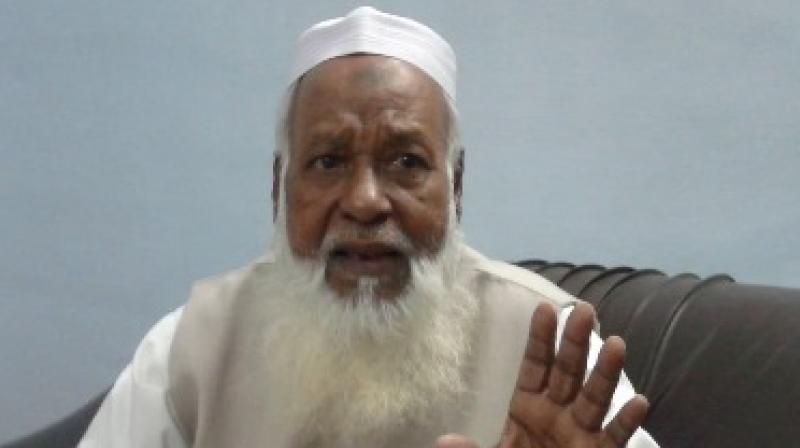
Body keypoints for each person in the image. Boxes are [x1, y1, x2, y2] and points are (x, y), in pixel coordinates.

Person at [79, 6, 658, 448]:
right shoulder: (192, 349)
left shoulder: (551, 349)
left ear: (455, 187)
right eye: (328, 161)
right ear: (279, 187)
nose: (364, 202)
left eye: (406, 161)